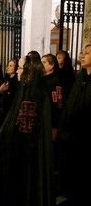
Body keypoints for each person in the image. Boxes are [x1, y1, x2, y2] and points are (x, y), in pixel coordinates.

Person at [0, 55, 55, 206]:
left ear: (29, 71)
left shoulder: (35, 92)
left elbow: (28, 132)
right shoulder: (24, 87)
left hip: (25, 155)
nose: (17, 71)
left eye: (20, 68)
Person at [59, 44, 91, 206]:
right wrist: (64, 126)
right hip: (74, 131)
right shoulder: (81, 77)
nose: (82, 55)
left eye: (87, 53)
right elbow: (71, 103)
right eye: (82, 52)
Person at [41, 53, 63, 197]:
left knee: (52, 156)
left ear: (52, 65)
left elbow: (57, 105)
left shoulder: (54, 81)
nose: (41, 65)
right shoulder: (44, 79)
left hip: (51, 123)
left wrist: (54, 126)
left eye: (44, 62)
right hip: (44, 122)